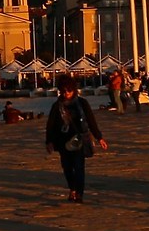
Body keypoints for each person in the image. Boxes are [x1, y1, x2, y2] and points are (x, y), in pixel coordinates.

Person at [44, 73, 105, 203]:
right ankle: (72, 189)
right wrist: (49, 142)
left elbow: (91, 121)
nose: (66, 93)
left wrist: (99, 137)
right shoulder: (57, 106)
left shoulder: (82, 103)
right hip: (63, 141)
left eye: (69, 90)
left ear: (74, 90)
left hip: (80, 139)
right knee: (67, 167)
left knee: (79, 167)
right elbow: (51, 125)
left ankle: (79, 194)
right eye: (63, 91)